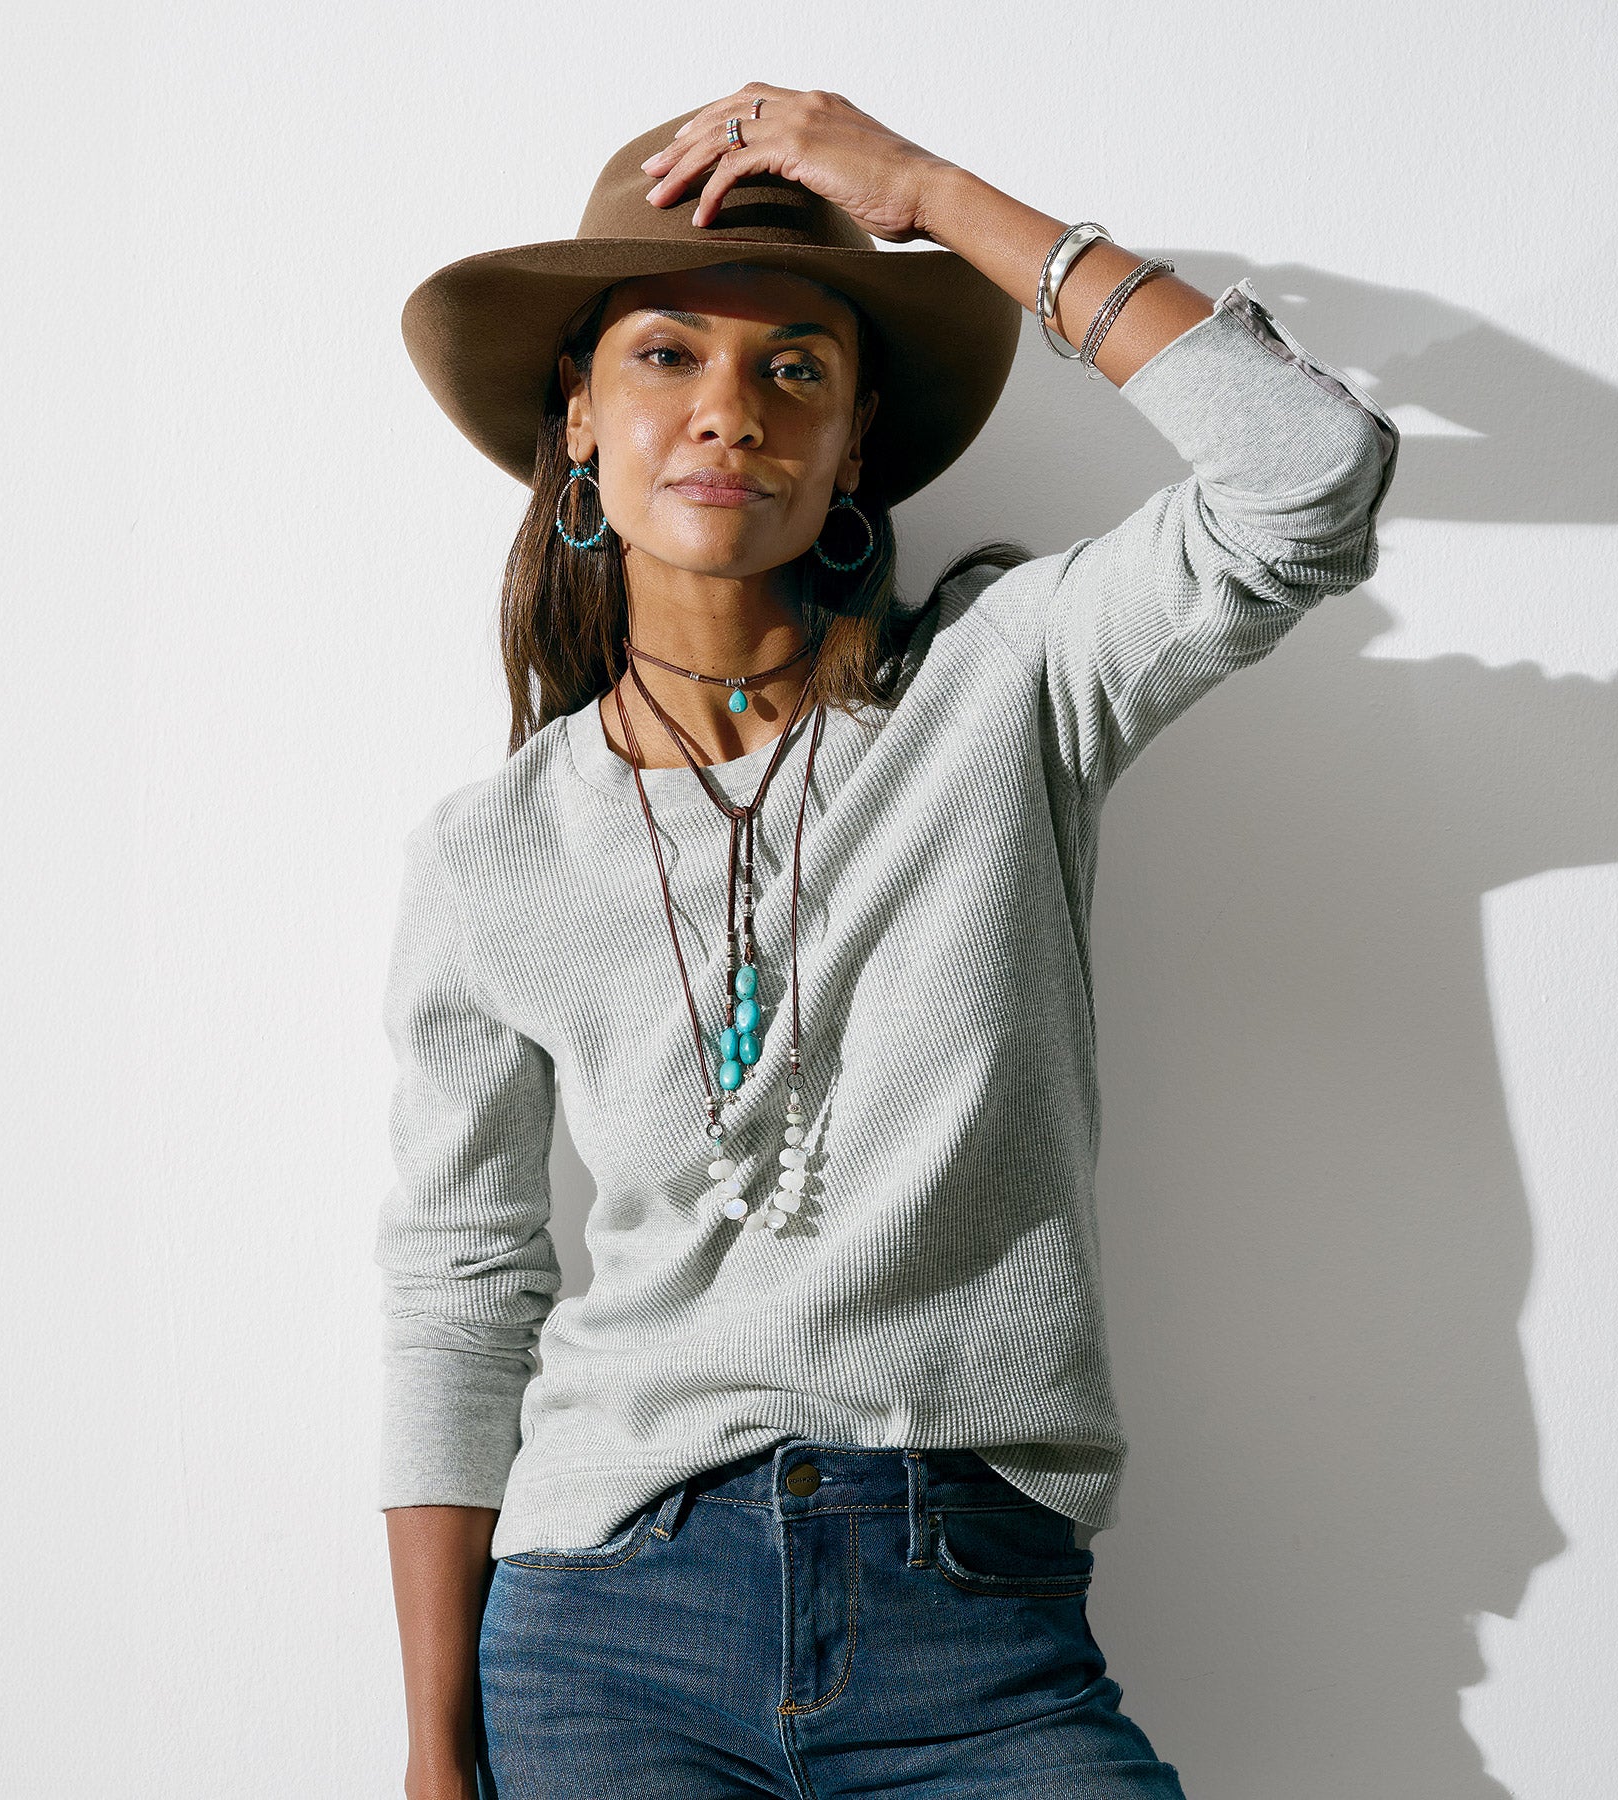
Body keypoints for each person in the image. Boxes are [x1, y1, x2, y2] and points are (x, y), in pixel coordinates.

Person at [375, 87, 1399, 1800]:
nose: (730, 411)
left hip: (974, 1619)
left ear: (856, 445)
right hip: (606, 1630)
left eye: (796, 369)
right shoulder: (492, 856)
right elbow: (458, 1297)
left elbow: (1309, 479)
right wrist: (433, 1748)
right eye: (666, 356)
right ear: (578, 416)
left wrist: (928, 192)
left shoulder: (1007, 681)